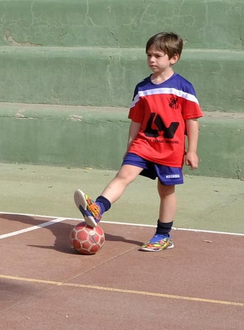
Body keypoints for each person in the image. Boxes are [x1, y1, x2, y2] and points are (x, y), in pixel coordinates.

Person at [75, 31, 202, 252]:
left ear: (174, 58)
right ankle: (97, 208)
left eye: (157, 55)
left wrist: (192, 150)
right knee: (123, 176)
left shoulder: (183, 87)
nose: (151, 60)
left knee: (166, 190)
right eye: (148, 55)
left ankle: (163, 235)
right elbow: (136, 120)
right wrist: (129, 147)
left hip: (171, 148)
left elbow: (191, 121)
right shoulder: (142, 88)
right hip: (143, 144)